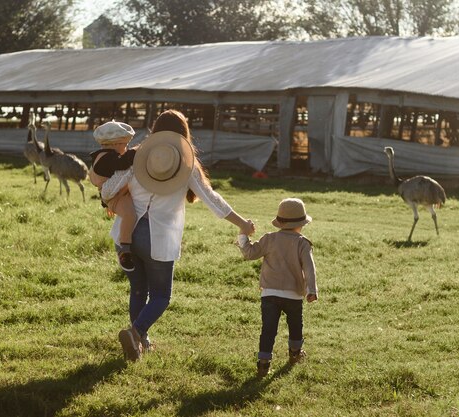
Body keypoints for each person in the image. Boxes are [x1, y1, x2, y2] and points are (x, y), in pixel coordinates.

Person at [101, 109, 255, 361]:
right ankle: (136, 332)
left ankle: (141, 344)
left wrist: (119, 202)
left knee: (138, 290)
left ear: (155, 130)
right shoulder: (186, 163)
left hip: (125, 235)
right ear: (184, 135)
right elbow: (212, 200)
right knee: (161, 295)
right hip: (158, 238)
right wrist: (242, 224)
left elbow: (107, 190)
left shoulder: (138, 156)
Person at [236, 197, 318, 377]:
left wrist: (243, 235)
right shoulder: (303, 243)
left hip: (269, 293)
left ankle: (263, 363)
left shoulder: (269, 239)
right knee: (296, 325)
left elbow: (249, 253)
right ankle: (295, 354)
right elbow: (309, 269)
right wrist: (311, 290)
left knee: (268, 329)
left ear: (279, 221)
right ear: (302, 223)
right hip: (294, 295)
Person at [89, 120, 138, 272]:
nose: (127, 148)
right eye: (125, 145)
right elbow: (123, 163)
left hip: (113, 195)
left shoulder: (105, 156)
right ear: (115, 143)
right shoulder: (107, 158)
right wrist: (138, 151)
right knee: (130, 215)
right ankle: (125, 249)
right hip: (113, 196)